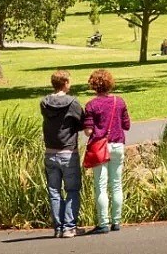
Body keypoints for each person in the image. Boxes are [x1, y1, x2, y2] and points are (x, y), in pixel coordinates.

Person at [83, 69, 131, 234]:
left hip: (100, 147)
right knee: (116, 184)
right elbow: (126, 125)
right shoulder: (120, 101)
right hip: (118, 145)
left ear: (94, 85)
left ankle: (103, 223)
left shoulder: (91, 105)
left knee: (101, 186)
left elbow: (88, 131)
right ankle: (116, 221)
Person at [41, 70, 84, 238]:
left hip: (50, 152)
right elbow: (81, 121)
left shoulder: (44, 102)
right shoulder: (72, 102)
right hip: (68, 151)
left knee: (54, 191)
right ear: (65, 83)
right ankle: (69, 226)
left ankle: (58, 227)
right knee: (72, 189)